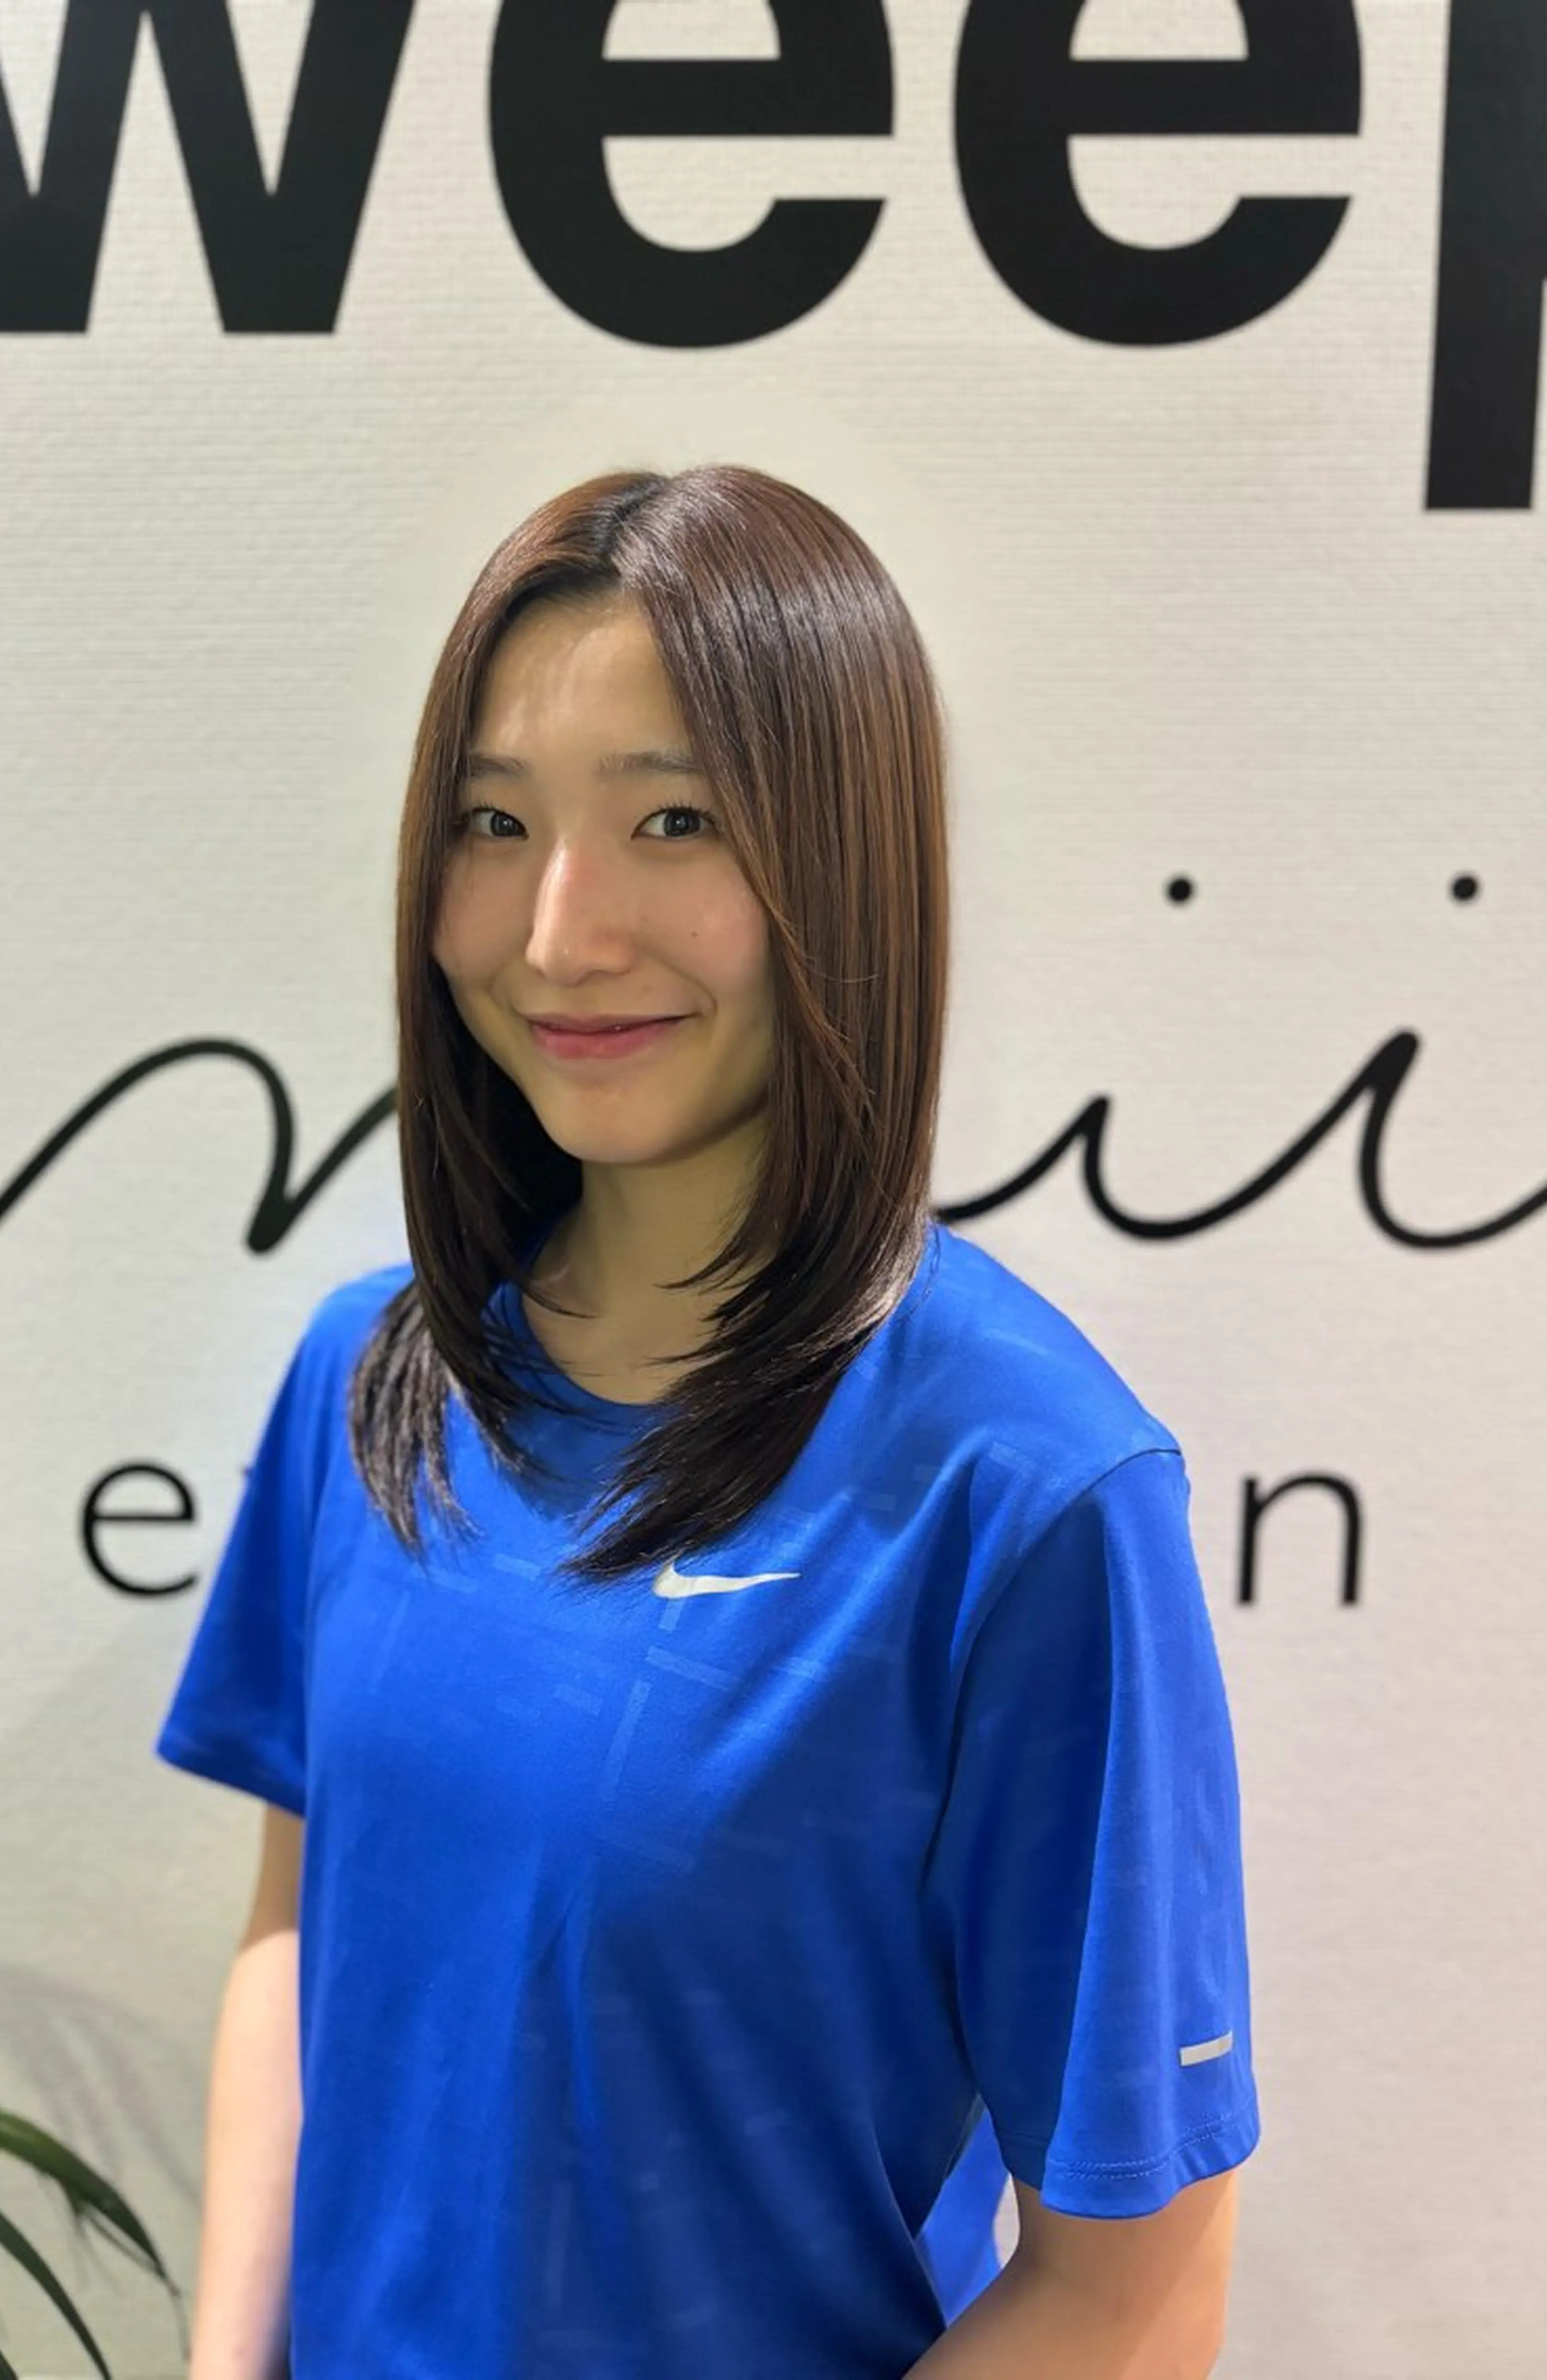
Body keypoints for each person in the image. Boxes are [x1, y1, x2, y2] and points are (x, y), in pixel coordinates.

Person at [154, 464, 1260, 2380]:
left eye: (674, 819)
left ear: (842, 858)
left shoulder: (1027, 1491)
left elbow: (1137, 2289)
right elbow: (298, 1927)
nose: (561, 931)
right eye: (495, 822)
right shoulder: (369, 1379)